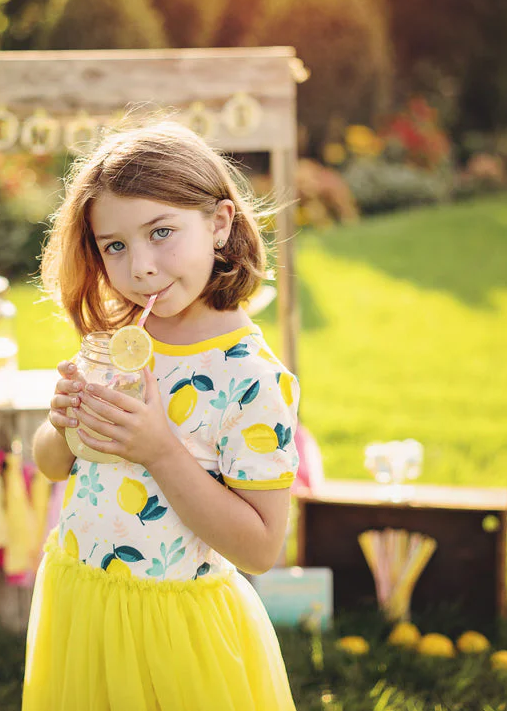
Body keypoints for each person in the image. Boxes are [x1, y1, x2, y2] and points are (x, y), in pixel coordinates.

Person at [24, 120, 300, 711]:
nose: (141, 267)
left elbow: (260, 548)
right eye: (115, 246)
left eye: (162, 232)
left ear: (220, 224)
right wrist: (63, 423)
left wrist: (160, 450)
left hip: (176, 631)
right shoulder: (117, 339)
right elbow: (51, 466)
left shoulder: (250, 378)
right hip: (82, 602)